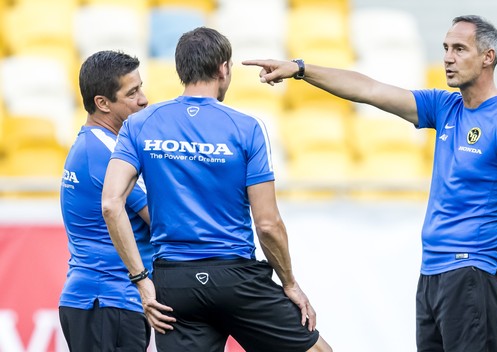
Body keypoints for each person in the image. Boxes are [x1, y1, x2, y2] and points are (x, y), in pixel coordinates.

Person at [243, 15, 497, 351]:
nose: (447, 57)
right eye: (446, 48)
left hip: (474, 273)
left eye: (459, 49)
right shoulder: (446, 106)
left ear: (488, 57)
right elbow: (370, 89)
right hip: (433, 274)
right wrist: (301, 69)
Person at [101, 27, 332, 352]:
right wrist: (290, 283)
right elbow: (267, 224)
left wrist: (141, 282)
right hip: (235, 277)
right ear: (224, 68)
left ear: (181, 70)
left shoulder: (139, 125)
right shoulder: (246, 127)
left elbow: (111, 204)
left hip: (173, 283)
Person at [59, 50, 153, 351]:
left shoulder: (96, 145)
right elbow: (161, 217)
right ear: (102, 103)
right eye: (132, 93)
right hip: (108, 301)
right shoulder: (107, 154)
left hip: (104, 301)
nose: (144, 99)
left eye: (141, 88)